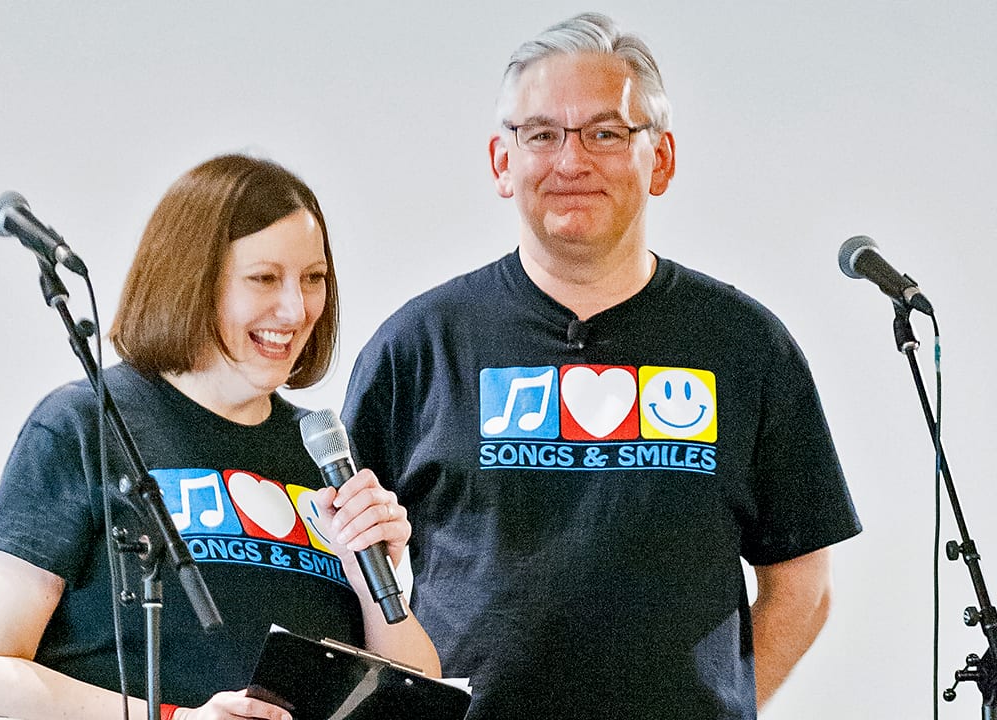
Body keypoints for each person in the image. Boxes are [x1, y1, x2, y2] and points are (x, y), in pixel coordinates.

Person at [341, 13, 861, 719]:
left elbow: (802, 586)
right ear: (503, 161)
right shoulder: (418, 347)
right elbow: (344, 581)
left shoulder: (745, 345)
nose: (571, 161)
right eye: (542, 134)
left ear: (663, 159)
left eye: (605, 133)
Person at [0, 154, 440, 720]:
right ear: (192, 281)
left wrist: (378, 583)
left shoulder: (321, 451)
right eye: (264, 278)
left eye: (313, 278)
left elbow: (413, 699)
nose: (296, 308)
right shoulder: (84, 424)